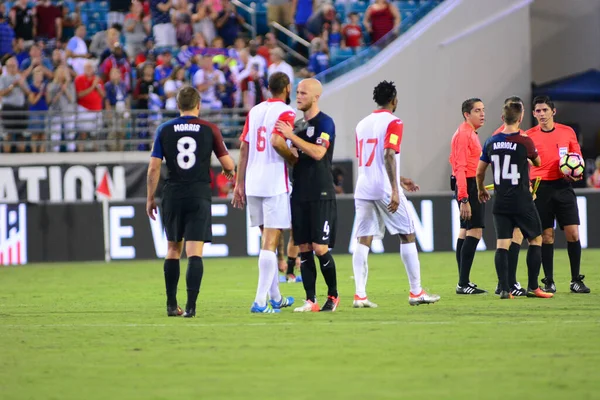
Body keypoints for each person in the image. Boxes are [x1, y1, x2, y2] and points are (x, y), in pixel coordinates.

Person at [146, 85, 236, 318]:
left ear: (178, 106)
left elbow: (154, 167)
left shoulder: (164, 129)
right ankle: (192, 307)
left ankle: (170, 304)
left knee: (173, 249)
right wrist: (228, 172)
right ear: (198, 105)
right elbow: (228, 165)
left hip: (173, 193)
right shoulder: (210, 129)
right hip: (198, 193)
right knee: (194, 252)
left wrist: (149, 198)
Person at [351, 80, 440, 307]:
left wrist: (400, 178)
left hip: (362, 186)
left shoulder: (361, 124)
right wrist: (395, 189)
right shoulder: (394, 122)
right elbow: (389, 154)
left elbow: (369, 161)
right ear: (394, 100)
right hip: (383, 188)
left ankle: (360, 295)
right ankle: (416, 292)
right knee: (407, 233)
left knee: (363, 240)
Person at [232, 72, 297, 314]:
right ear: (287, 88)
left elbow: (244, 146)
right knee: (271, 242)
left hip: (253, 182)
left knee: (265, 241)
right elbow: (278, 142)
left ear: (268, 89)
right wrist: (293, 159)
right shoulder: (287, 113)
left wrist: (239, 184)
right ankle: (260, 302)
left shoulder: (255, 111)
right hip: (273, 183)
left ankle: (276, 297)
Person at [476, 101, 553, 299]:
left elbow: (479, 172)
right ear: (520, 119)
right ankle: (534, 287)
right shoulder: (525, 141)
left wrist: (480, 189)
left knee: (502, 243)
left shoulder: (491, 141)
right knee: (535, 239)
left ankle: (504, 289)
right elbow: (537, 162)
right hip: (522, 200)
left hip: (500, 200)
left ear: (502, 119)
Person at [275, 78, 340, 312]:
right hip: (299, 192)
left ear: (315, 96)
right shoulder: (299, 125)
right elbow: (296, 159)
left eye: (303, 93)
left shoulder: (325, 122)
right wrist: (287, 149)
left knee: (320, 248)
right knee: (303, 248)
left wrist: (291, 137)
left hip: (321, 193)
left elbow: (318, 152)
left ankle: (333, 296)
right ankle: (310, 300)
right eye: (297, 92)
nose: (298, 96)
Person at [525, 96, 590, 293]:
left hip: (563, 185)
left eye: (545, 110)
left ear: (553, 112)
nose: (542, 114)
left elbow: (577, 157)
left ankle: (575, 280)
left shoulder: (567, 132)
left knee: (573, 233)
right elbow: (522, 163)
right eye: (538, 111)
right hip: (540, 187)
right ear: (534, 114)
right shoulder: (528, 136)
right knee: (547, 236)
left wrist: (576, 173)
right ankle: (549, 281)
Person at [449, 98, 487, 294]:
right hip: (468, 185)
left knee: (465, 231)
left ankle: (463, 281)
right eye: (477, 110)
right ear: (467, 114)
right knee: (475, 231)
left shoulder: (467, 132)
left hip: (469, 184)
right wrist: (464, 198)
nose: (482, 114)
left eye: (483, 110)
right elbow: (461, 167)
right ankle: (463, 283)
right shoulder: (465, 134)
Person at [491, 96, 528, 297]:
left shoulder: (496, 137)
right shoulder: (517, 138)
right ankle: (510, 283)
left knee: (505, 241)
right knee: (516, 237)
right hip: (515, 196)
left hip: (502, 196)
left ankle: (504, 284)